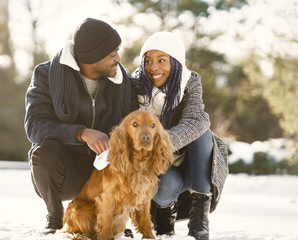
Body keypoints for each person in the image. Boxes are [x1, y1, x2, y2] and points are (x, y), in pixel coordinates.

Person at [24, 18, 137, 234]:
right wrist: (81, 133)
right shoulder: (47, 74)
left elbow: (132, 122)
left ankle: (116, 220)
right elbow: (35, 126)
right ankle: (56, 217)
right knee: (43, 152)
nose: (119, 59)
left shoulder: (123, 82)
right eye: (112, 54)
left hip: (104, 167)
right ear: (92, 58)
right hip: (67, 169)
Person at [131, 32, 228, 240]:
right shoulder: (134, 85)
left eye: (161, 60)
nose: (153, 67)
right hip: (158, 166)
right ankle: (164, 215)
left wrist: (162, 141)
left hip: (191, 164)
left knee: (203, 130)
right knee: (166, 186)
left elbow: (196, 119)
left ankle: (199, 216)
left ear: (175, 62)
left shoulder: (189, 81)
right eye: (148, 61)